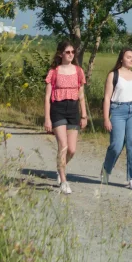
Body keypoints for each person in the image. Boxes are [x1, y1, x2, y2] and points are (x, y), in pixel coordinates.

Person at [44, 40, 87, 195]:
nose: (70, 55)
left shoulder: (78, 71)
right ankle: (63, 180)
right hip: (58, 109)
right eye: (67, 52)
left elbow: (81, 95)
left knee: (72, 149)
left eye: (72, 52)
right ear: (61, 53)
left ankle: (60, 167)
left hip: (73, 109)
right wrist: (47, 118)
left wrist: (84, 115)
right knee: (63, 145)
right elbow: (47, 96)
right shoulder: (54, 71)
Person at [101, 47, 132, 190]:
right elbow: (107, 98)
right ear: (121, 58)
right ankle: (106, 170)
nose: (131, 59)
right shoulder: (113, 75)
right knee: (116, 145)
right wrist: (106, 118)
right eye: (128, 57)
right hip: (117, 111)